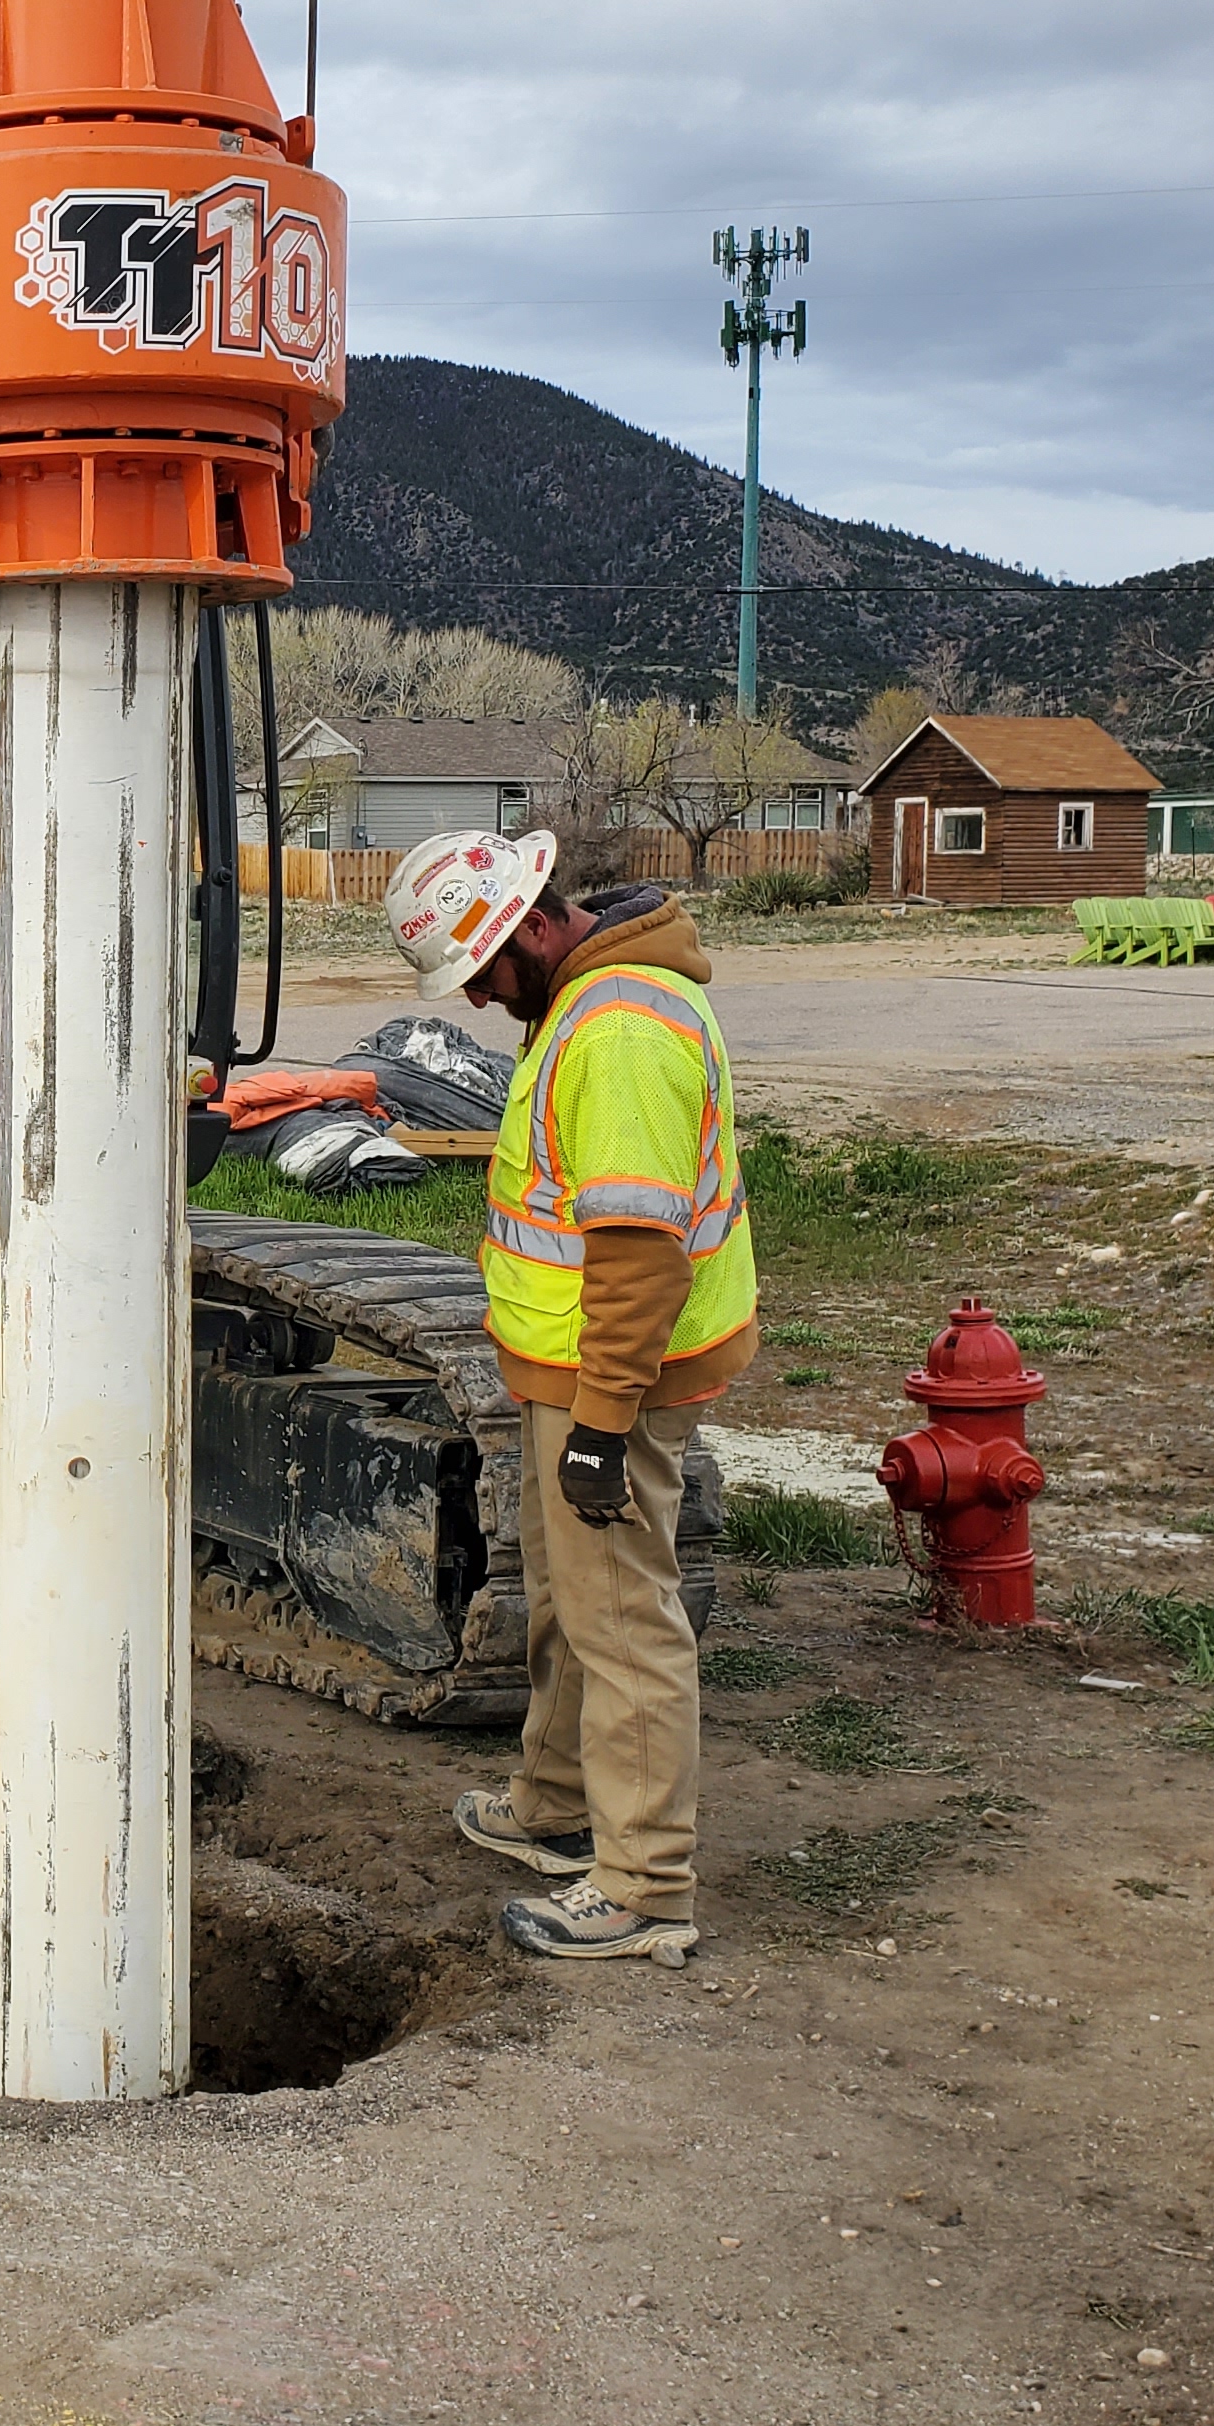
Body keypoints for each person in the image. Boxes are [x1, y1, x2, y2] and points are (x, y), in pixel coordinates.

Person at [383, 829, 759, 1963]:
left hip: (620, 1381)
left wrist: (601, 1424)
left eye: (489, 973)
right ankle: (555, 1810)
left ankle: (644, 1886)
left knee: (619, 1616)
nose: (489, 1002)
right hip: (577, 1371)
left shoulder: (622, 1031)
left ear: (534, 927)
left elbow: (640, 1254)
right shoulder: (588, 1004)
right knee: (563, 1595)